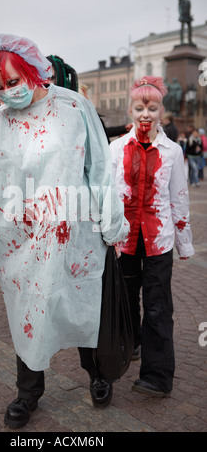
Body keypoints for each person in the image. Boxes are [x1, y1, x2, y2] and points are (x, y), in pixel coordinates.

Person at [0, 33, 128, 428]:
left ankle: (98, 374)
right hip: (21, 242)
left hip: (76, 238)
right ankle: (27, 391)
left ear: (34, 71)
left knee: (84, 310)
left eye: (13, 82)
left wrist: (112, 227)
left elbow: (100, 170)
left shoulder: (73, 107)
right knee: (27, 315)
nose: (6, 93)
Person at [110, 76, 194, 397]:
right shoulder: (115, 149)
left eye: (152, 107)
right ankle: (132, 342)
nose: (146, 113)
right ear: (130, 110)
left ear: (161, 112)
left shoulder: (172, 152)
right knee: (125, 297)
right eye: (139, 107)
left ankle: (157, 375)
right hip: (124, 239)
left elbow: (179, 197)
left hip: (158, 239)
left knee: (158, 306)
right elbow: (106, 195)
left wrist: (184, 244)